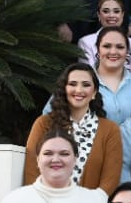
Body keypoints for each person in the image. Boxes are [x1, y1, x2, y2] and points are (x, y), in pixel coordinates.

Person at [23, 64, 124, 194]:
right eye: (72, 84)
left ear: (94, 93)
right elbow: (31, 171)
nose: (79, 90)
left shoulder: (110, 130)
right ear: (64, 89)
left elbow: (111, 180)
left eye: (86, 85)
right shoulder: (44, 124)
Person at [87, 27, 131, 171]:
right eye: (107, 46)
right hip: (90, 168)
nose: (113, 52)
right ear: (97, 50)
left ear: (128, 52)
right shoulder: (79, 83)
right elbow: (51, 118)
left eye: (120, 47)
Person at [77, 0, 131, 79]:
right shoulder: (85, 42)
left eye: (116, 11)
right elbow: (88, 76)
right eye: (106, 11)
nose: (111, 15)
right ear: (99, 15)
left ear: (122, 15)